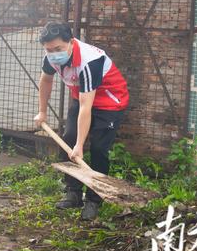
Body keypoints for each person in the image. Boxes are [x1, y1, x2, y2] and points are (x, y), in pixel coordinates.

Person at [33, 22, 129, 220]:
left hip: (110, 101)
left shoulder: (88, 61)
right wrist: (42, 112)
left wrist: (80, 145)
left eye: (58, 49)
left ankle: (94, 200)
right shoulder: (51, 57)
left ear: (71, 42)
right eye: (49, 50)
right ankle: (73, 192)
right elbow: (46, 80)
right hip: (83, 96)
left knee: (98, 149)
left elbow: (87, 108)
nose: (53, 53)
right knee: (68, 139)